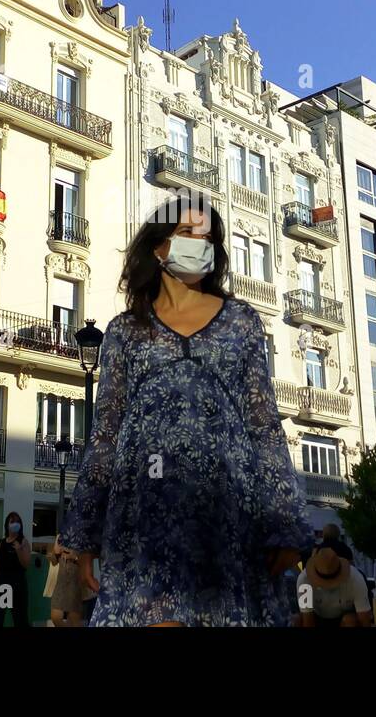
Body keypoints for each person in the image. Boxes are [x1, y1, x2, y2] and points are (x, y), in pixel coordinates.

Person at [59, 195, 311, 626]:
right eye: (188, 233)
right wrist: (82, 533)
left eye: (209, 237)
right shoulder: (125, 331)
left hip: (225, 512)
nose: (201, 244)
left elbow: (265, 426)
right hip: (143, 515)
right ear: (158, 246)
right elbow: (105, 434)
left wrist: (284, 522)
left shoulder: (242, 322)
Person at [296, 546, 372, 627]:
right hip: (317, 617)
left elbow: (364, 617)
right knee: (296, 620)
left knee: (350, 621)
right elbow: (307, 619)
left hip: (344, 618)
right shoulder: (304, 580)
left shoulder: (355, 578)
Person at [0, 511, 31, 627]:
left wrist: (19, 550)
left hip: (17, 583)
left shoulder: (23, 542)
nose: (15, 524)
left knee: (20, 618)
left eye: (18, 522)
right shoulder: (1, 543)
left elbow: (26, 564)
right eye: (12, 521)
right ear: (7, 525)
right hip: (2, 584)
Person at [48, 535, 85, 627]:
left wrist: (74, 557)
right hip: (60, 584)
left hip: (75, 585)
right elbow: (53, 562)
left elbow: (87, 563)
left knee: (74, 619)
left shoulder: (82, 537)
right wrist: (56, 553)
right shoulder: (61, 537)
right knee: (55, 617)